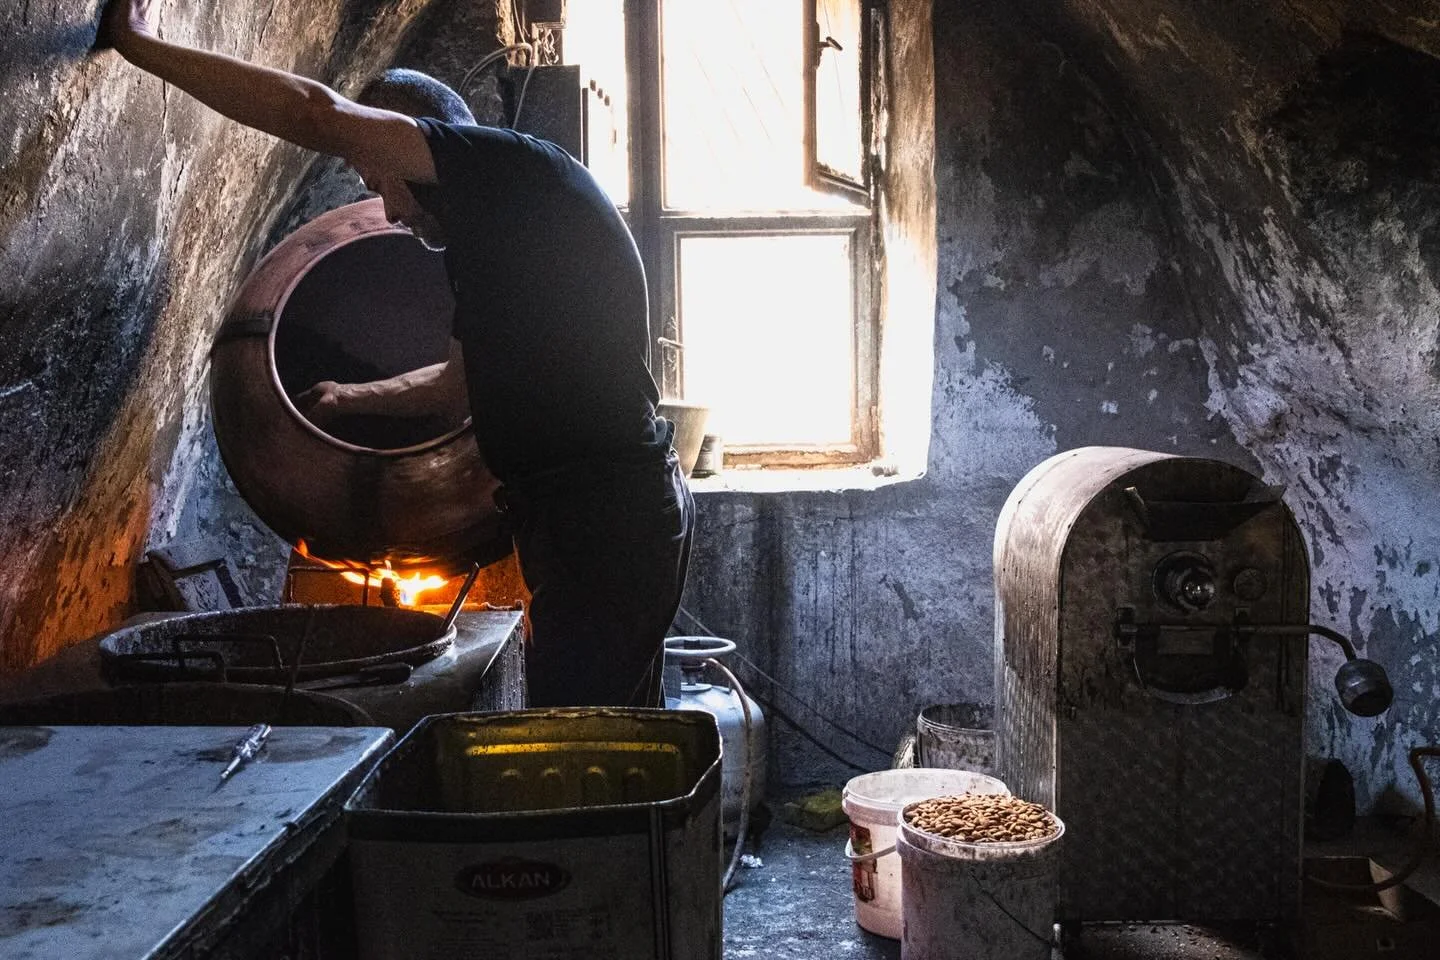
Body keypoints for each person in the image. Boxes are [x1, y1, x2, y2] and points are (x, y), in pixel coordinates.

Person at [96, 0, 695, 708]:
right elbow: (451, 386)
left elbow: (314, 111)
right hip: (583, 516)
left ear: (408, 143)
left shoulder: (509, 173)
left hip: (604, 514)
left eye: (380, 181)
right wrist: (349, 398)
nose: (387, 212)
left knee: (583, 740)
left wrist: (143, 48)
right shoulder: (497, 238)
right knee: (604, 731)